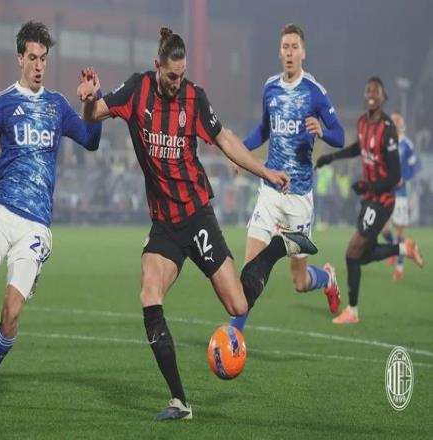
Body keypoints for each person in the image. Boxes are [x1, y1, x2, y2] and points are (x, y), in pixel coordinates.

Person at [77, 27, 316, 421]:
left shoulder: (194, 97)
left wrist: (265, 171)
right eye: (172, 76)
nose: (177, 83)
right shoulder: (137, 90)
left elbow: (225, 140)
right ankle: (180, 401)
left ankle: (278, 246)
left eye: (182, 75)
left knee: (238, 304)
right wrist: (88, 100)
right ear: (157, 66)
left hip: (196, 216)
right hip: (164, 225)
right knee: (149, 294)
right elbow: (93, 115)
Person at [0, 21, 103, 407]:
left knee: (11, 312)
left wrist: (94, 102)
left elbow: (91, 141)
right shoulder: (5, 102)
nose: (39, 65)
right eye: (33, 58)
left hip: (36, 225)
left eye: (44, 58)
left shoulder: (57, 106)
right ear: (20, 59)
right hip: (3, 210)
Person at [229, 24, 345, 334]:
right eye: (285, 47)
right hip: (270, 190)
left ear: (303, 52)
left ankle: (327, 278)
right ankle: (234, 336)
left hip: (299, 197)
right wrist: (239, 150)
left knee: (299, 281)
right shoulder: (270, 88)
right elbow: (263, 131)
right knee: (251, 264)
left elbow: (340, 135)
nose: (290, 52)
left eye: (295, 47)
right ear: (279, 52)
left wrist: (323, 132)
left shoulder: (314, 91)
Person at [316, 76, 423, 324]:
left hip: (383, 200)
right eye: (368, 91)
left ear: (383, 98)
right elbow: (359, 147)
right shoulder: (362, 123)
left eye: (376, 91)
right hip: (370, 199)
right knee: (361, 255)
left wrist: (367, 185)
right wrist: (331, 158)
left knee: (353, 251)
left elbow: (395, 176)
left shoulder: (388, 128)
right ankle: (403, 249)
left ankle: (352, 311)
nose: (371, 94)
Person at [381, 111, 420, 281]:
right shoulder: (387, 143)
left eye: (395, 122)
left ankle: (400, 265)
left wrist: (404, 179)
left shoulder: (407, 145)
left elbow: (414, 168)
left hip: (401, 193)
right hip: (387, 191)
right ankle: (393, 248)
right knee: (383, 229)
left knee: (399, 231)